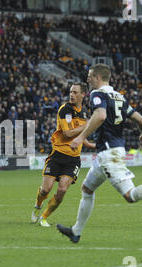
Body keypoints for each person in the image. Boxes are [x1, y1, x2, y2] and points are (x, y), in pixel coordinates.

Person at [56, 64, 142, 243]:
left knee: (130, 196)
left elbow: (100, 116)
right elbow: (140, 119)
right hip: (109, 151)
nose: (87, 79)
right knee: (87, 189)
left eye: (90, 76)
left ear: (98, 78)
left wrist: (80, 137)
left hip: (109, 154)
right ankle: (76, 232)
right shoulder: (119, 97)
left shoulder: (97, 94)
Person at [31, 83, 95, 227]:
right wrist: (88, 125)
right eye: (70, 92)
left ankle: (44, 217)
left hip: (73, 159)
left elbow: (81, 135)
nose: (71, 94)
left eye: (75, 92)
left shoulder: (85, 113)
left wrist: (93, 145)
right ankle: (38, 204)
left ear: (83, 95)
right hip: (57, 155)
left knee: (62, 190)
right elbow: (67, 134)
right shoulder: (64, 109)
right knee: (45, 190)